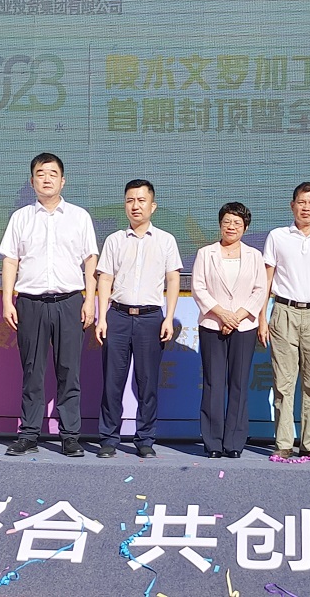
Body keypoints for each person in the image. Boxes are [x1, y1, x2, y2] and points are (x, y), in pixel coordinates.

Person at [0, 153, 97, 457]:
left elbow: (90, 260)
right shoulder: (20, 218)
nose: (46, 179)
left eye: (53, 174)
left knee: (69, 371)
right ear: (32, 182)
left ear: (63, 181)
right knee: (32, 371)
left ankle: (70, 436)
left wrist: (90, 300)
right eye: (40, 174)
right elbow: (11, 260)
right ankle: (29, 434)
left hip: (70, 302)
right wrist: (7, 300)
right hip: (31, 303)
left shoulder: (79, 217)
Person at [94, 179, 183, 459]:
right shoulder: (114, 240)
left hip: (150, 318)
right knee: (113, 382)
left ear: (152, 206)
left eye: (141, 200)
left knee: (147, 382)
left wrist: (168, 318)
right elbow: (105, 278)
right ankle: (109, 438)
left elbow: (173, 279)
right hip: (118, 316)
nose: (135, 206)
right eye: (130, 200)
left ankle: (145, 439)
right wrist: (101, 317)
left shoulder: (166, 240)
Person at [258, 182, 310, 461]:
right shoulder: (278, 236)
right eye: (301, 202)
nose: (306, 208)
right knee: (283, 383)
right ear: (292, 205)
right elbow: (266, 279)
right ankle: (283, 442)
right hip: (284, 312)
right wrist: (262, 317)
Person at [192, 202, 269, 459]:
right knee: (213, 384)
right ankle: (212, 442)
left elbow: (260, 289)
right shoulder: (206, 253)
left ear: (245, 227)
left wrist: (237, 316)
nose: (231, 227)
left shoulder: (254, 256)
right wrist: (222, 314)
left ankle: (234, 441)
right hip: (212, 325)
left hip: (244, 326)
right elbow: (199, 288)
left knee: (238, 384)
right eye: (227, 221)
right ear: (220, 224)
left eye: (237, 222)